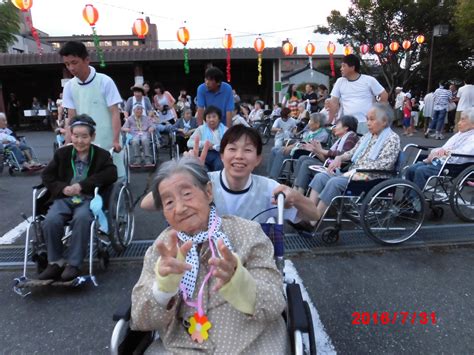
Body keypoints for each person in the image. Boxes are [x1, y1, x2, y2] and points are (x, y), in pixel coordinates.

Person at [131, 157, 288, 353]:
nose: (179, 208)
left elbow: (275, 304)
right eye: (169, 202)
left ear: (208, 192)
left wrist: (239, 282)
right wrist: (163, 289)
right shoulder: (162, 248)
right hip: (180, 348)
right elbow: (140, 319)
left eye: (187, 194)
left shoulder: (248, 233)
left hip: (253, 343)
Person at [141, 125, 317, 224]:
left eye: (247, 150)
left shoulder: (269, 189)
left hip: (251, 266)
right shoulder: (204, 183)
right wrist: (186, 173)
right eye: (232, 149)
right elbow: (147, 204)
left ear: (257, 159)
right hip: (209, 263)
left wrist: (295, 196)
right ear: (222, 156)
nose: (239, 156)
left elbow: (314, 215)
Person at [38, 114, 117, 281]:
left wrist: (82, 185)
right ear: (70, 135)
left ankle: (73, 264)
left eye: (84, 136)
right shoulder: (63, 154)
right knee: (51, 220)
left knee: (82, 218)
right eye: (75, 136)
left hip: (88, 198)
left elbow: (111, 173)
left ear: (92, 136)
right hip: (64, 198)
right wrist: (63, 188)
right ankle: (55, 262)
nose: (79, 141)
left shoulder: (102, 155)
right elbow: (47, 176)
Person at [298, 103, 400, 223]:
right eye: (367, 119)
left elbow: (384, 164)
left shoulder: (392, 138)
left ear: (384, 121)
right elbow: (351, 153)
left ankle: (314, 220)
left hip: (371, 177)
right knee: (321, 177)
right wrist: (339, 158)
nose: (368, 123)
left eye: (372, 119)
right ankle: (309, 213)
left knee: (334, 182)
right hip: (355, 174)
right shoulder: (367, 136)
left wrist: (354, 171)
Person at [59, 41, 125, 178]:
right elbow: (70, 117)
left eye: (74, 62)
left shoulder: (105, 81)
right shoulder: (69, 87)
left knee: (112, 180)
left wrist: (116, 140)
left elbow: (114, 113)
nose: (71, 68)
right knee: (85, 182)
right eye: (67, 64)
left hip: (107, 141)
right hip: (82, 142)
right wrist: (67, 142)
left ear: (87, 60)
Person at [406, 108, 474, 191]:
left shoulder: (472, 138)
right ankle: (408, 198)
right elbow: (444, 147)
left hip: (454, 166)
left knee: (421, 171)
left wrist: (445, 152)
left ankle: (415, 199)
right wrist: (436, 152)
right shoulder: (459, 134)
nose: (459, 123)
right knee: (411, 168)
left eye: (463, 120)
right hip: (442, 161)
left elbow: (464, 153)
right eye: (460, 120)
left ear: (473, 124)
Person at [293, 115, 359, 194]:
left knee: (306, 162)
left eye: (337, 125)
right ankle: (295, 188)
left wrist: (321, 150)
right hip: (329, 164)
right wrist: (315, 150)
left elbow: (342, 154)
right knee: (303, 158)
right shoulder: (340, 140)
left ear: (346, 127)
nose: (334, 127)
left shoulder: (352, 136)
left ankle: (298, 193)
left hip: (339, 169)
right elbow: (326, 160)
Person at [328, 54, 388, 134]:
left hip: (366, 122)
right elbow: (333, 102)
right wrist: (329, 121)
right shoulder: (340, 82)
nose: (341, 69)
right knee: (348, 145)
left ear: (352, 67)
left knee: (366, 145)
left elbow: (384, 95)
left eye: (343, 66)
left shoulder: (369, 80)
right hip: (347, 123)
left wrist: (377, 114)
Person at [268, 112, 329, 179]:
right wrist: (293, 145)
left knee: (281, 152)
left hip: (304, 152)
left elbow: (310, 146)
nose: (309, 123)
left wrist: (293, 146)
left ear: (317, 124)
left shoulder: (323, 134)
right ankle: (271, 173)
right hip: (299, 148)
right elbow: (302, 141)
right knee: (274, 149)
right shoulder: (311, 131)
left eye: (311, 120)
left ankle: (273, 178)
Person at [187, 106, 227, 171]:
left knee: (219, 165)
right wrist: (204, 144)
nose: (211, 119)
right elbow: (189, 143)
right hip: (203, 153)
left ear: (219, 118)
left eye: (214, 117)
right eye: (208, 117)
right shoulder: (201, 129)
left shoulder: (225, 130)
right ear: (205, 119)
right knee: (203, 169)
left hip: (219, 155)